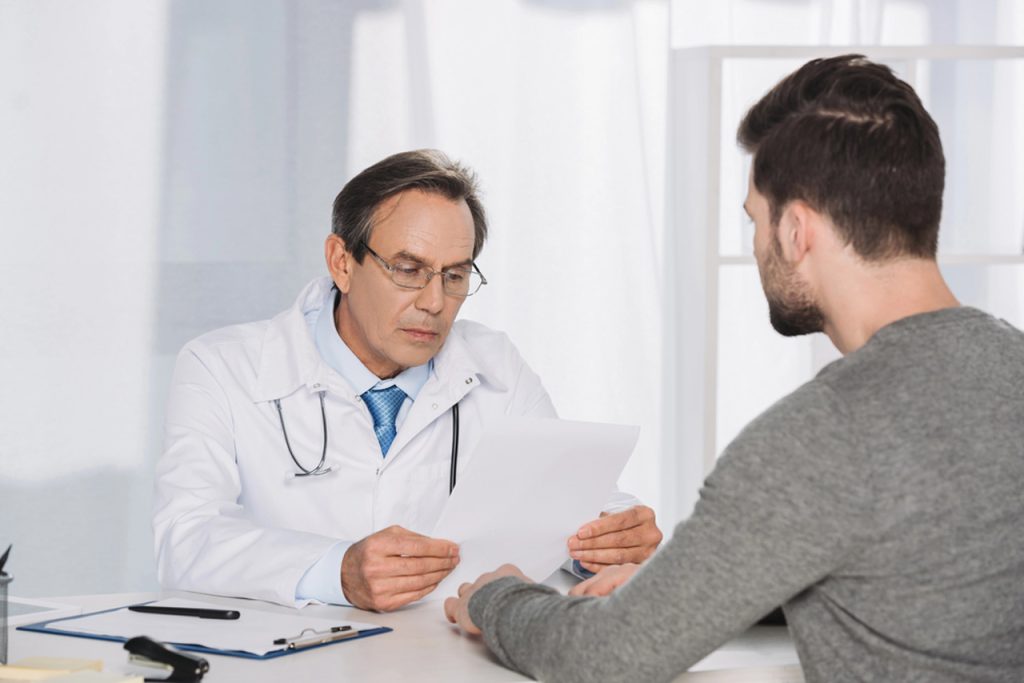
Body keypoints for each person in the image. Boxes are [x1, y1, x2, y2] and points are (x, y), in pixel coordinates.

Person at [444, 56, 1024, 682]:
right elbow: (937, 578)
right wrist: (688, 589)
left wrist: (495, 597)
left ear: (797, 229)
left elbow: (602, 658)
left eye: (754, 219)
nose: (754, 245)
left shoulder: (823, 435)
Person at [153, 150, 662, 611]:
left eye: (455, 275)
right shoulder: (222, 366)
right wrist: (336, 570)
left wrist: (613, 538)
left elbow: (569, 498)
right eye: (408, 269)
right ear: (341, 262)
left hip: (447, 658)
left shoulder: (496, 365)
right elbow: (187, 537)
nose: (434, 302)